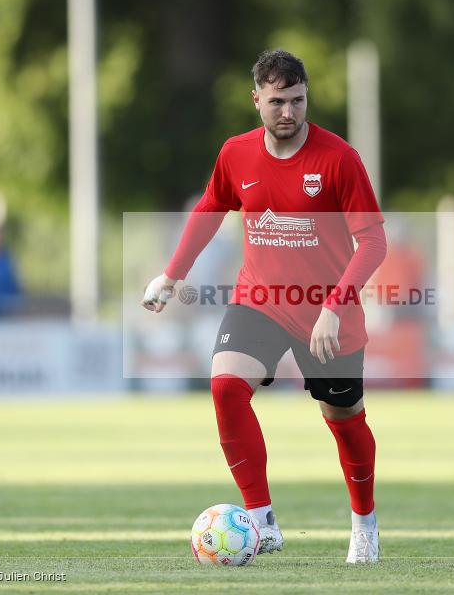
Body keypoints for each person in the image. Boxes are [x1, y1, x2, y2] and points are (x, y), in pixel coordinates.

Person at [142, 50, 386, 563]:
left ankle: (363, 522)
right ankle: (260, 520)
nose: (288, 113)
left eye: (297, 101)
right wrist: (172, 275)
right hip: (260, 301)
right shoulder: (236, 154)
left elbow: (373, 241)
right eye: (277, 102)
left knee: (344, 419)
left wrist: (335, 307)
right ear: (257, 100)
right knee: (226, 388)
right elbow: (210, 208)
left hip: (327, 313)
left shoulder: (339, 159)